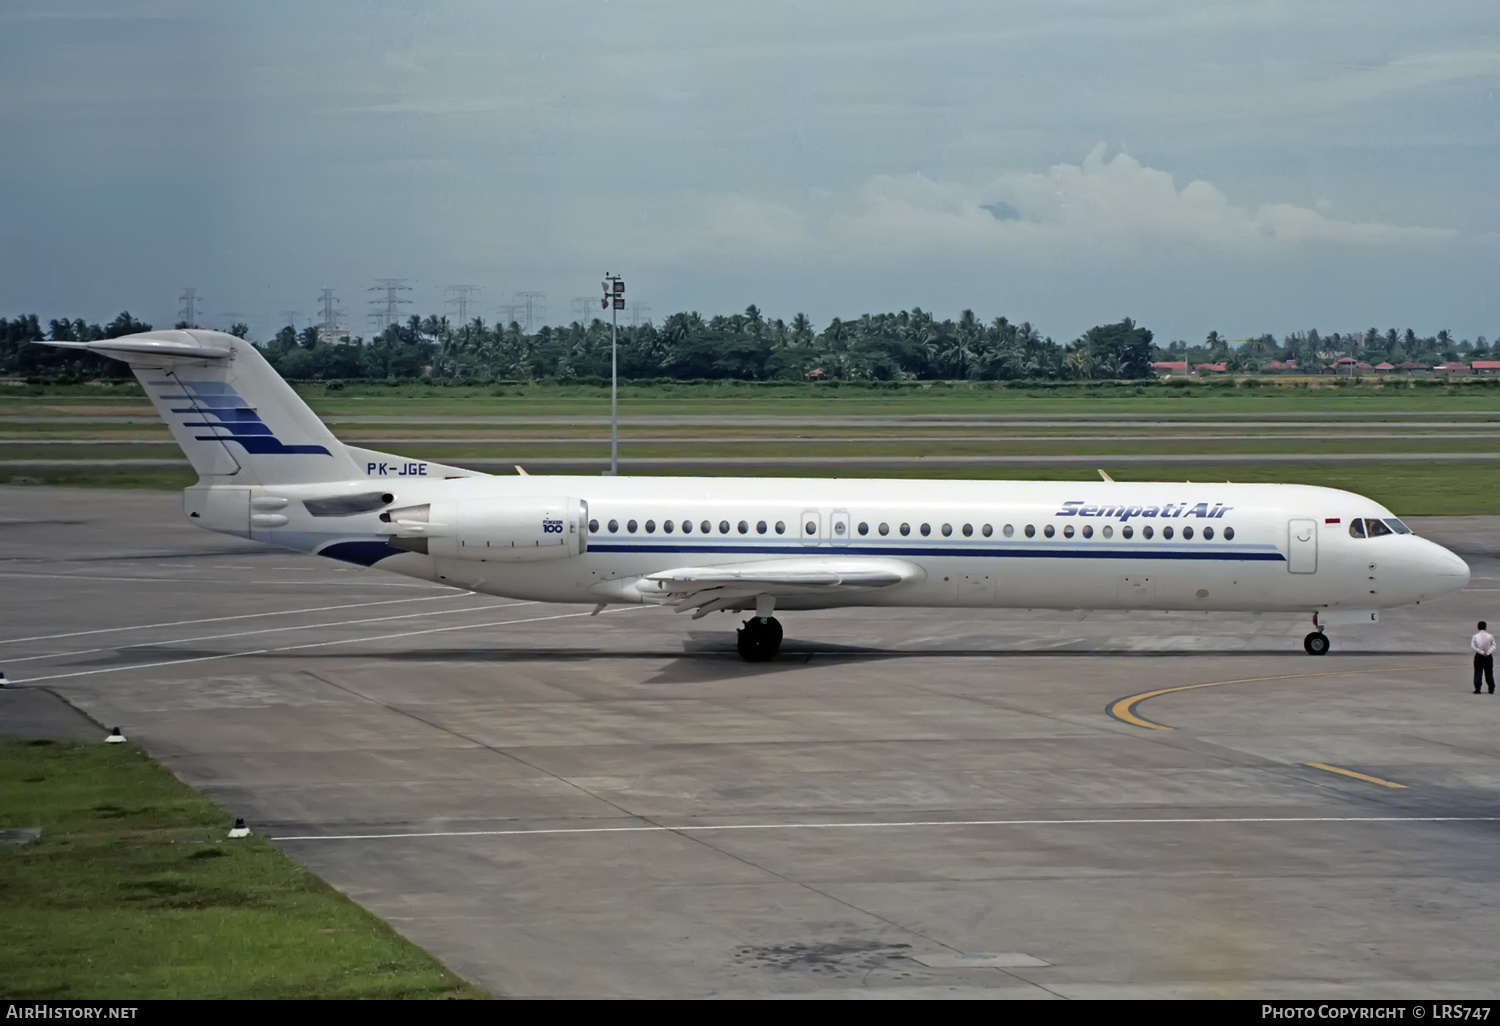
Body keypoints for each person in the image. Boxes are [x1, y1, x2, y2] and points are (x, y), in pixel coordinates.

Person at [1473, 621, 1496, 694]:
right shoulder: (1490, 636)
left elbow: (1473, 646)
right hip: (1488, 657)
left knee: (1478, 672)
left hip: (1479, 656)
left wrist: (1481, 652)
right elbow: (1493, 645)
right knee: (1489, 672)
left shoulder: (1475, 636)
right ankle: (1491, 689)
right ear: (1485, 627)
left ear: (1478, 627)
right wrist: (1488, 652)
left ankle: (1477, 689)